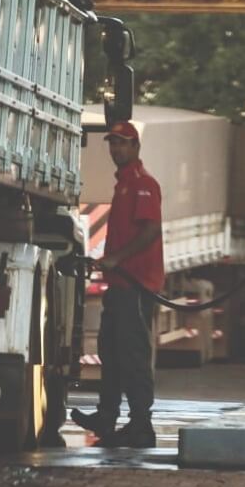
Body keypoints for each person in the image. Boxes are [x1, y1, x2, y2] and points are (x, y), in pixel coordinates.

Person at [71, 120, 164, 448]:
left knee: (133, 356)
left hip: (136, 285)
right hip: (120, 285)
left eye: (123, 143)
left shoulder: (143, 184)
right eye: (113, 143)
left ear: (136, 147)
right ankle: (106, 417)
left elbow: (151, 229)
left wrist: (118, 258)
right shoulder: (123, 184)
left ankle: (141, 425)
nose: (117, 149)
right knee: (111, 352)